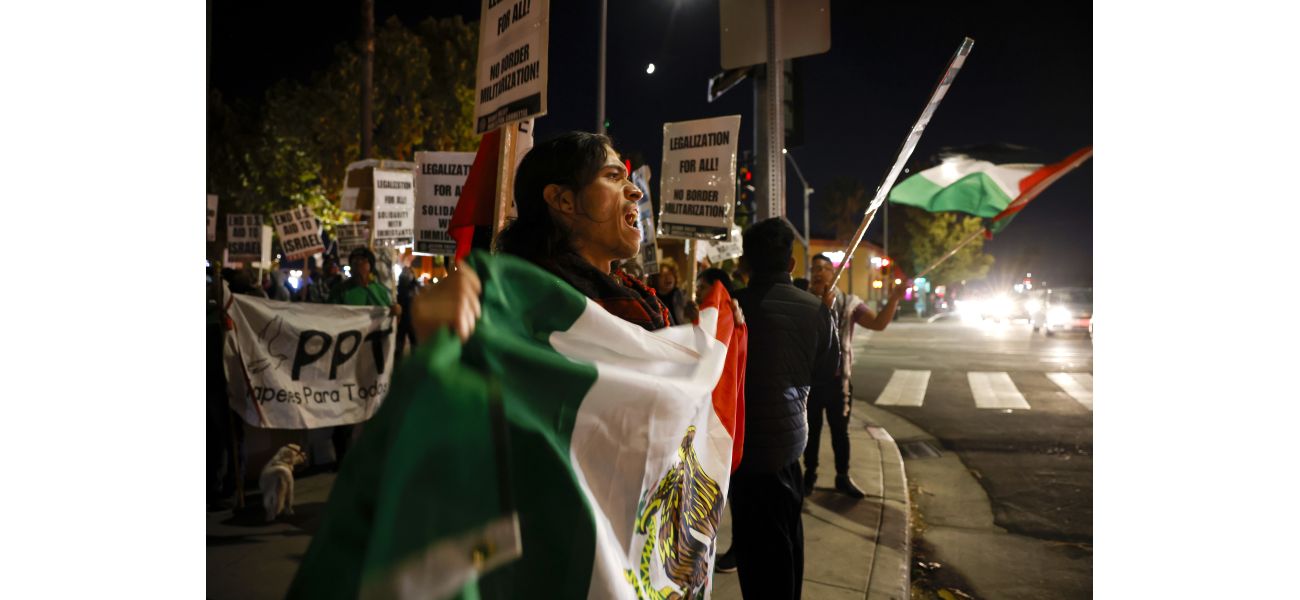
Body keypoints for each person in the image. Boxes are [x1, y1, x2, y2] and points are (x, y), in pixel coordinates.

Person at [729, 218, 839, 600]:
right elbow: (827, 375)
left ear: (746, 262)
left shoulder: (730, 309)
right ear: (791, 264)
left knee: (756, 559)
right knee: (788, 549)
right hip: (789, 449)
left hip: (741, 453)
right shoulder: (816, 311)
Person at [803, 253, 907, 498]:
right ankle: (809, 476)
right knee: (811, 430)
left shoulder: (850, 303)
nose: (818, 273)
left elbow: (878, 323)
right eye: (814, 268)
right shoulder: (803, 301)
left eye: (824, 268)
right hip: (810, 381)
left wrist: (893, 299)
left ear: (833, 273)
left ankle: (842, 476)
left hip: (839, 381)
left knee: (841, 431)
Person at [328, 246, 401, 468]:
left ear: (370, 265)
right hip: (346, 360)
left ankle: (372, 457)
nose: (358, 265)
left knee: (373, 407)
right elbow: (328, 318)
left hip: (373, 360)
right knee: (345, 411)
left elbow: (390, 321)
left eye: (362, 261)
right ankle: (343, 459)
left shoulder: (381, 292)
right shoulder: (340, 291)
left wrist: (396, 311)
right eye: (354, 261)